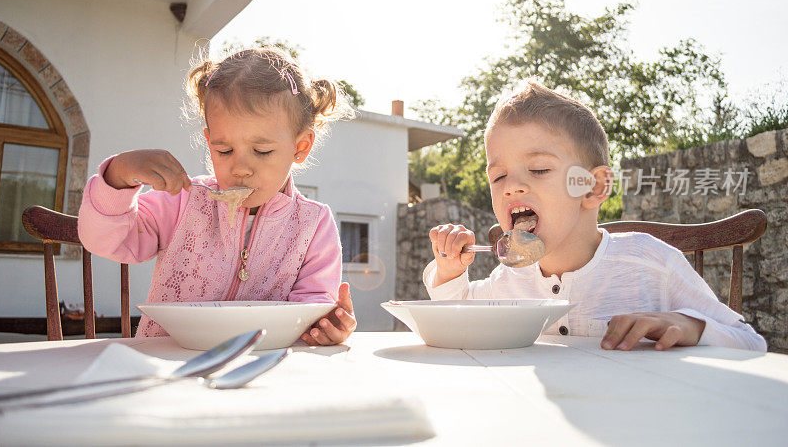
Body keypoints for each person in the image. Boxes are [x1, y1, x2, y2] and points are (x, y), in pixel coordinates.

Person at [423, 79, 766, 352]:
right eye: (498, 177)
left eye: (539, 169)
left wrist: (690, 326)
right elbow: (459, 317)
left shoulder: (650, 263)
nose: (511, 187)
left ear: (592, 188)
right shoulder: (510, 279)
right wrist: (449, 272)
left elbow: (750, 343)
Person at [78, 47, 356, 346]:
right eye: (224, 150)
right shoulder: (184, 202)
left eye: (261, 151)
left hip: (257, 370)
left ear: (300, 148)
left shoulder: (313, 225)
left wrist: (326, 327)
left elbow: (311, 313)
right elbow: (105, 240)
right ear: (209, 141)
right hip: (166, 362)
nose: (240, 168)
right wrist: (117, 176)